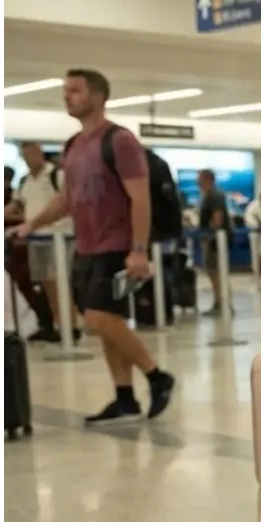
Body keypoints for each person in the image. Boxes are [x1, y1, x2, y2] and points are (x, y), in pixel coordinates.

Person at [14, 69, 175, 424]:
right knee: (106, 323)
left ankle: (157, 376)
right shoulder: (73, 145)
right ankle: (124, 397)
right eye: (65, 91)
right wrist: (31, 224)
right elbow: (66, 199)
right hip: (85, 247)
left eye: (75, 90)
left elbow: (140, 198)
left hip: (116, 245)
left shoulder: (119, 141)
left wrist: (138, 249)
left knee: (99, 318)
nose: (67, 96)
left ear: (98, 96)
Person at [15, 140, 71, 342]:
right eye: (25, 155)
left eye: (32, 153)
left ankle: (69, 325)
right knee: (45, 283)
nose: (29, 158)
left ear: (39, 153)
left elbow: (67, 204)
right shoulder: (25, 181)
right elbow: (19, 205)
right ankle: (57, 324)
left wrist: (41, 221)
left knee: (59, 283)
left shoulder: (57, 176)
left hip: (59, 238)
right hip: (36, 238)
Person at [195, 169, 229, 316]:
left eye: (200, 179)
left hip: (215, 240)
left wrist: (209, 234)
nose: (197, 182)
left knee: (216, 272)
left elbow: (217, 217)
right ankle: (219, 301)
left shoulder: (214, 195)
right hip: (212, 238)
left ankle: (222, 302)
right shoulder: (208, 195)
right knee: (213, 271)